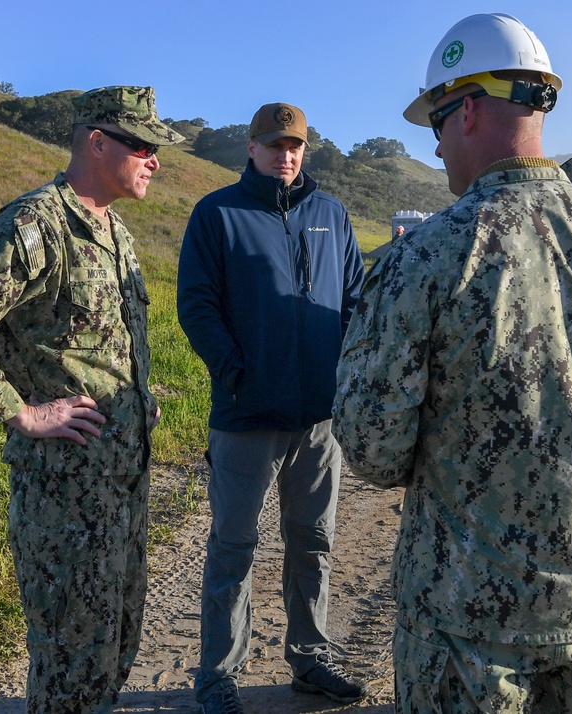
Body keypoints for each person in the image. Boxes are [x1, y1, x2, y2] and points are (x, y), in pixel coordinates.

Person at [332, 13, 572, 714]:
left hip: (472, 624)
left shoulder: (423, 257)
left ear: (468, 110)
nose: (437, 145)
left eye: (436, 122)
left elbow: (372, 448)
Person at [0, 86, 184, 713]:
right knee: (70, 671)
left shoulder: (116, 234)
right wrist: (20, 410)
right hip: (66, 500)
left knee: (112, 653)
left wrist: (141, 401)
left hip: (122, 492)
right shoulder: (38, 224)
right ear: (96, 142)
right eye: (142, 145)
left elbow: (90, 346)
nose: (154, 160)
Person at [177, 102, 367, 713]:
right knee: (234, 544)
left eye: (296, 147)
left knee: (313, 540)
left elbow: (357, 303)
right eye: (274, 145)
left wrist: (346, 378)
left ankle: (310, 659)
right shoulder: (217, 214)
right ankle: (218, 675)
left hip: (318, 419)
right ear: (251, 148)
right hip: (245, 415)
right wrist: (236, 373)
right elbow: (197, 305)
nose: (286, 156)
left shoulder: (331, 215)